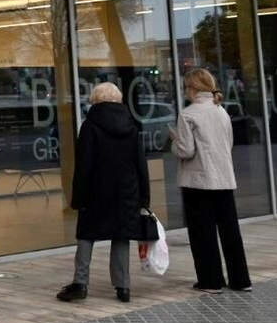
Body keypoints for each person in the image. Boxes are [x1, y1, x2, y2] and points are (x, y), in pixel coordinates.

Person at [57, 82, 149, 303]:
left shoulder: (90, 126)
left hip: (96, 191)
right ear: (118, 99)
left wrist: (78, 197)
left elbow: (83, 165)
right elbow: (141, 165)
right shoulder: (132, 126)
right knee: (121, 235)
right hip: (126, 192)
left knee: (87, 234)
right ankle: (123, 287)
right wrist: (144, 197)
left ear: (95, 100)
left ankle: (80, 283)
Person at [171, 68, 251, 294]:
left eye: (186, 86)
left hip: (198, 181)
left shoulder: (188, 115)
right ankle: (241, 279)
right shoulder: (222, 112)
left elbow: (186, 151)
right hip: (224, 178)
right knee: (230, 231)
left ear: (192, 88)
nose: (185, 91)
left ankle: (211, 280)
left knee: (202, 233)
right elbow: (228, 144)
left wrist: (174, 142)